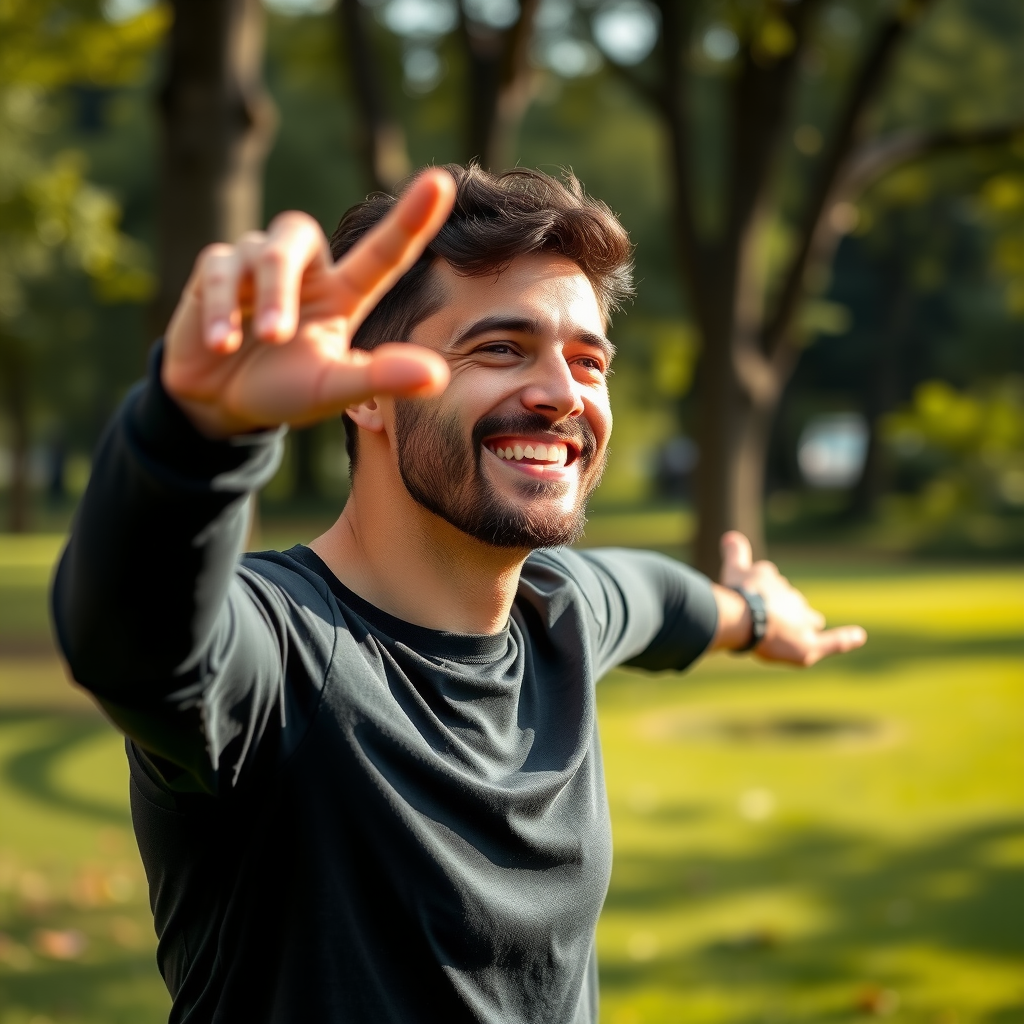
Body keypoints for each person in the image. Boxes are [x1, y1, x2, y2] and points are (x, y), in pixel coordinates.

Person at [52, 164, 866, 1024]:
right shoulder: (283, 653)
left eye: (588, 360)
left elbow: (662, 601)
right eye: (501, 349)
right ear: (368, 391)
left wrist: (759, 616)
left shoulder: (560, 616)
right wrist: (194, 433)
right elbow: (132, 643)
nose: (562, 394)